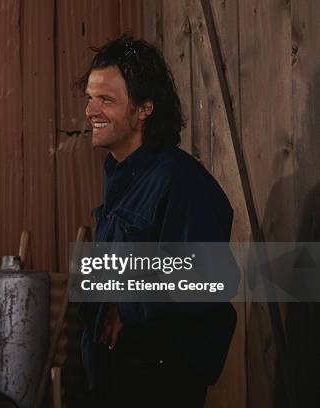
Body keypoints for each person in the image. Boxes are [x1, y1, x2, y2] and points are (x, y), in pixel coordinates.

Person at [77, 34, 237, 406]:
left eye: (106, 99)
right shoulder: (121, 174)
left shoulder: (179, 180)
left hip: (159, 378)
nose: (90, 111)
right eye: (89, 97)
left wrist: (127, 306)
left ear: (144, 108)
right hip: (117, 374)